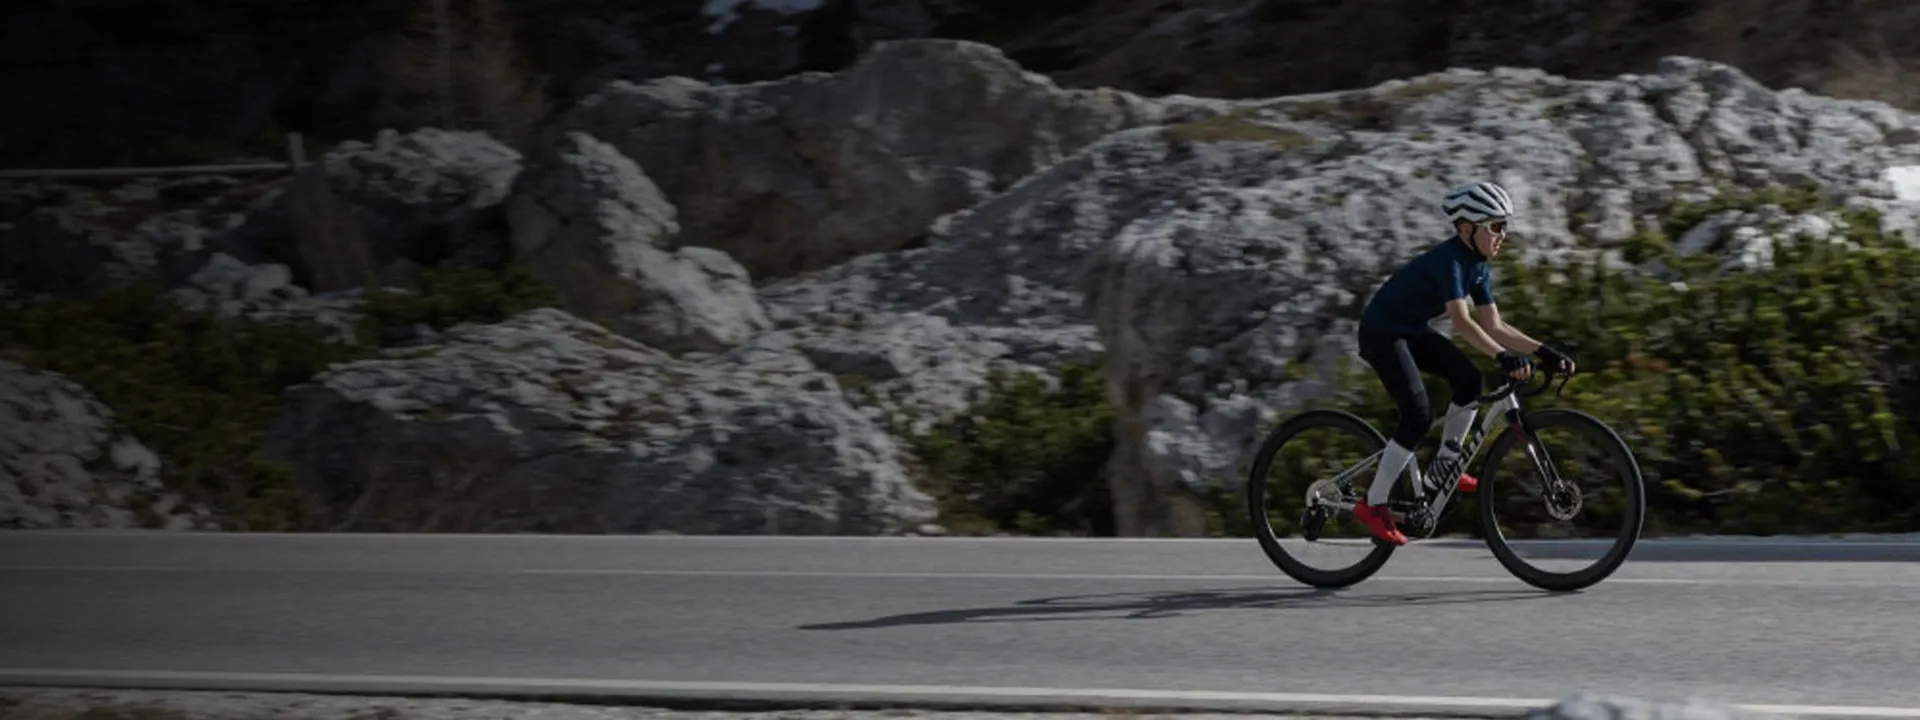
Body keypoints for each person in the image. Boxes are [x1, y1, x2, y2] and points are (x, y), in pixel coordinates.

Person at [1350, 181, 1576, 546]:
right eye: (1496, 226)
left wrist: (1545, 353)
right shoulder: (1451, 261)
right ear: (1467, 229)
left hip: (1409, 330)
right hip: (1382, 333)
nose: (1504, 235)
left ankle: (1445, 466)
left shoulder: (1478, 265)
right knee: (1418, 414)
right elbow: (1462, 322)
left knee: (1469, 380)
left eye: (1506, 226)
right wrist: (1502, 356)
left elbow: (1494, 325)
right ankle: (1373, 503)